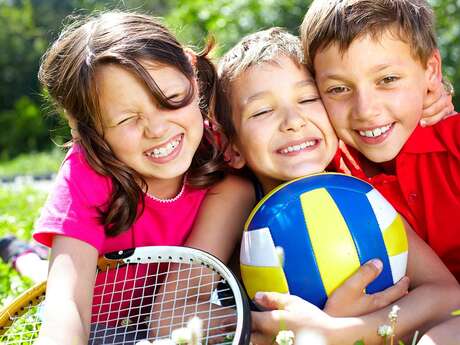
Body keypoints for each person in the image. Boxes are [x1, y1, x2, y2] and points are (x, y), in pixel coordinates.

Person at [214, 27, 460, 345]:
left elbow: (446, 293)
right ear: (230, 147)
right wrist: (270, 330)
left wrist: (341, 331)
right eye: (262, 111)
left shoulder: (355, 192)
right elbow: (174, 312)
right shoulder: (235, 197)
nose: (293, 121)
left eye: (308, 98)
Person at [32, 11, 254, 345]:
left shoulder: (223, 151)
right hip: (102, 329)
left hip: (172, 309)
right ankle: (21, 254)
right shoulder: (88, 172)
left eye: (169, 100)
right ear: (89, 130)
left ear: (193, 75)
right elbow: (67, 305)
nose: (157, 129)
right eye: (127, 119)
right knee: (43, 273)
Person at [301, 0, 460, 342]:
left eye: (387, 79)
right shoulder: (325, 179)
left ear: (431, 71)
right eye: (338, 89)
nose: (366, 110)